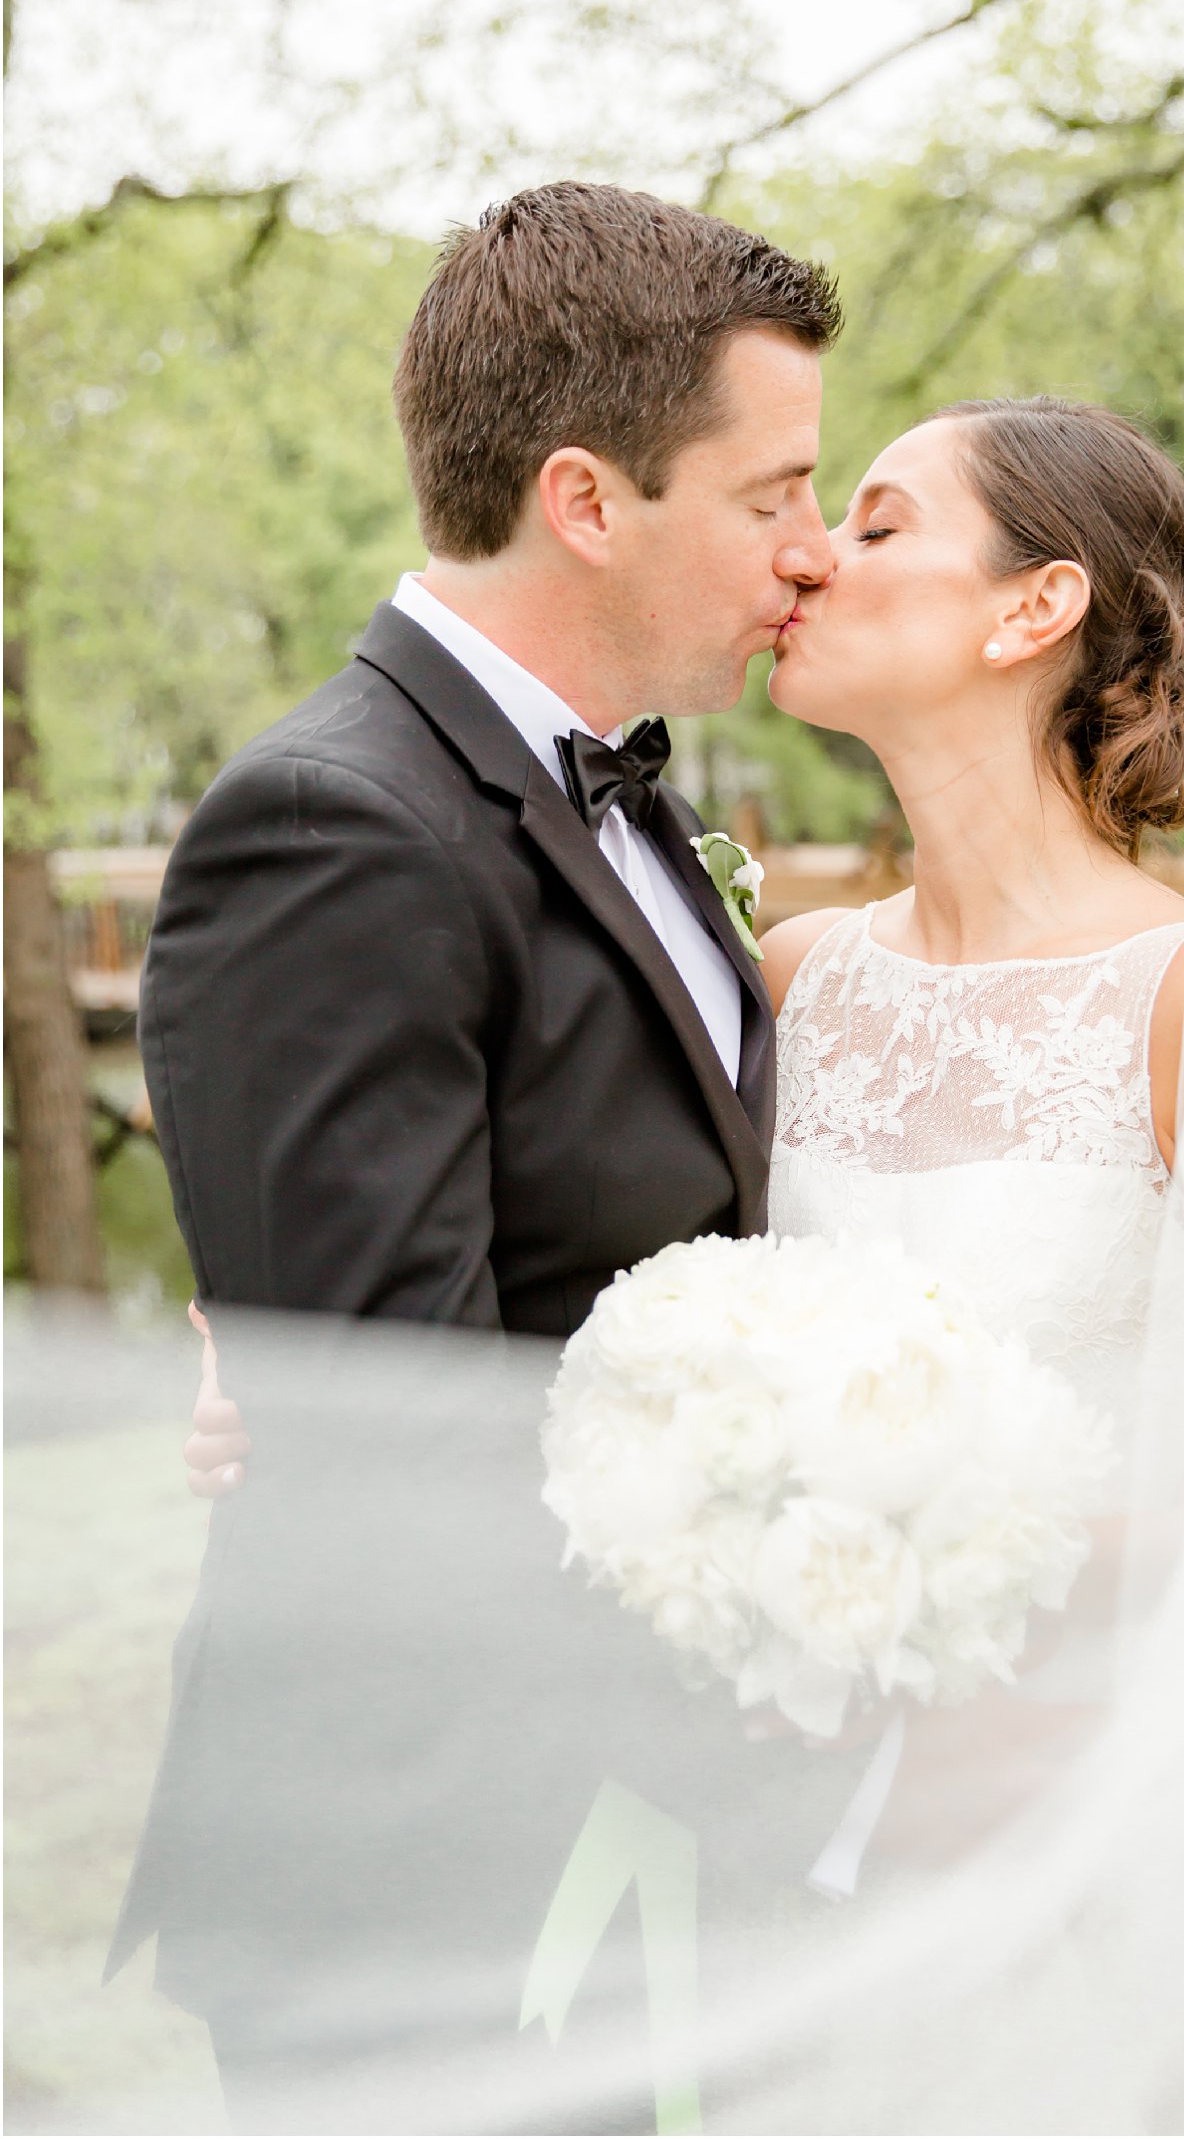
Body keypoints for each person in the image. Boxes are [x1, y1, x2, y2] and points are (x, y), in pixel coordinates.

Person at [187, 391, 1184, 2131]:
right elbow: (619, 1285)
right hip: (793, 1869)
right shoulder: (793, 979)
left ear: (1029, 608)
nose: (813, 552)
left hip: (1085, 1848)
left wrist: (968, 1581)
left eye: (881, 523)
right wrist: (305, 1390)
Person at [106, 181, 869, 2135]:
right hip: (418, 1874)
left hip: (610, 1846)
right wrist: (775, 1710)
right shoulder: (333, 826)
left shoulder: (625, 799)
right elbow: (397, 1429)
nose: (809, 553)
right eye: (774, 492)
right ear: (587, 498)